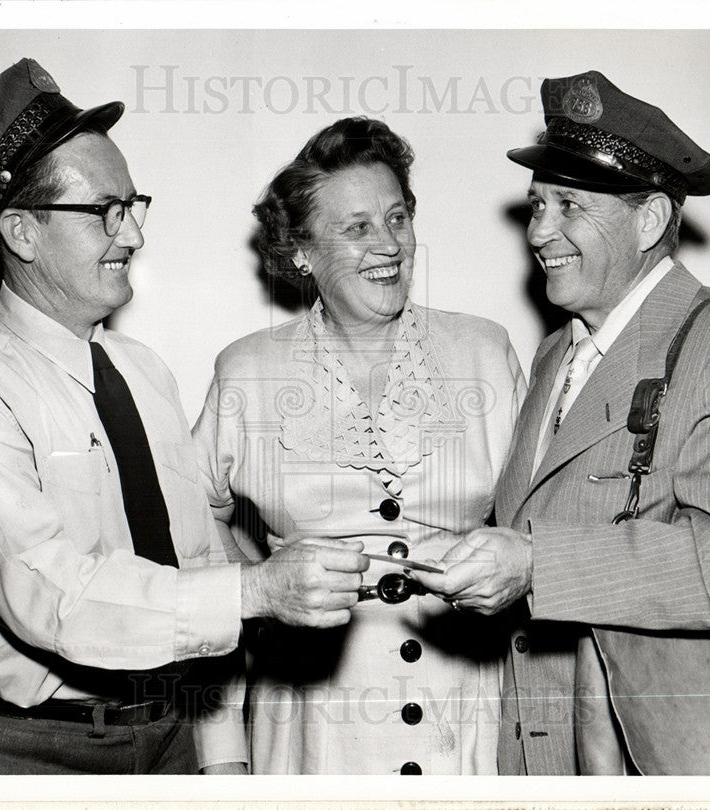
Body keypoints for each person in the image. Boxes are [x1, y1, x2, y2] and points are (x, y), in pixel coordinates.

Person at [0, 58, 368, 776]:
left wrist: (220, 755)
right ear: (21, 233)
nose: (135, 236)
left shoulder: (142, 371)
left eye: (134, 205)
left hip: (168, 736)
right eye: (104, 212)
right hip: (21, 750)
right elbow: (52, 597)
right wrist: (259, 589)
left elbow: (194, 558)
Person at [410, 71, 710, 776]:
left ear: (651, 220)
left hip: (653, 761)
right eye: (537, 205)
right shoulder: (554, 356)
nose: (539, 232)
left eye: (569, 205)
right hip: (549, 756)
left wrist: (535, 561)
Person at [190, 117, 525, 775]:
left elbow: (544, 527)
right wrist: (257, 596)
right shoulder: (249, 372)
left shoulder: (484, 352)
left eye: (397, 219)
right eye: (357, 228)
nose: (388, 246)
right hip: (315, 727)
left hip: (466, 718)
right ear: (302, 252)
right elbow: (189, 527)